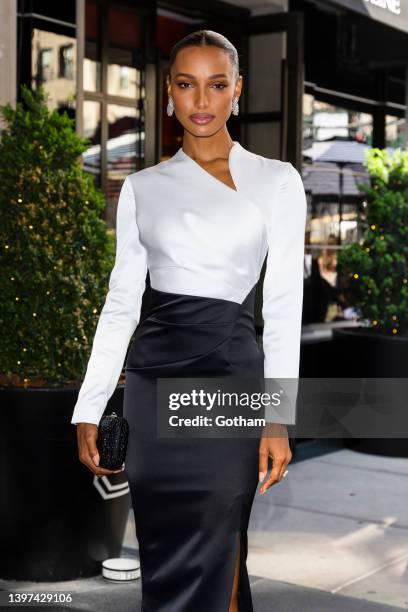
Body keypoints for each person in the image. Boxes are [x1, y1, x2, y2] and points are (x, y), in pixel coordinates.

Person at [71, 30, 307, 612]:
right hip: (154, 387)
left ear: (237, 92)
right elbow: (122, 303)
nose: (202, 100)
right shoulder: (143, 188)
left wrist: (278, 419)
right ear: (169, 94)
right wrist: (89, 405)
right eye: (186, 84)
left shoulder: (277, 181)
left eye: (217, 84)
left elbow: (281, 308)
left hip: (231, 379)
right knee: (171, 553)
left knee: (220, 542)